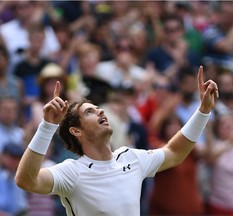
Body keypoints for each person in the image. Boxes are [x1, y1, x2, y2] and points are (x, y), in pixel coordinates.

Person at [15, 66, 218, 215]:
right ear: (76, 131)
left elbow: (175, 153)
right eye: (90, 112)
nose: (100, 110)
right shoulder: (71, 172)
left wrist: (203, 112)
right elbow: (26, 180)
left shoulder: (131, 157)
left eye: (97, 108)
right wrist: (47, 126)